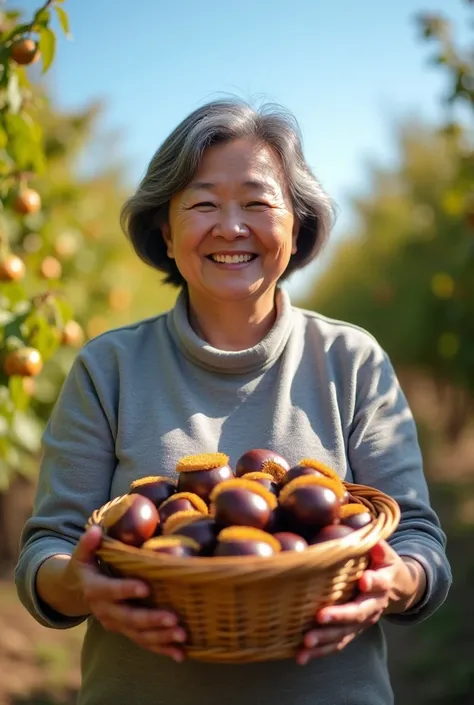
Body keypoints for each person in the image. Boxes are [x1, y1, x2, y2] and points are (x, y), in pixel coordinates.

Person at [15, 99, 451, 705]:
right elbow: (47, 550)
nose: (231, 226)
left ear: (296, 226)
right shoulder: (107, 368)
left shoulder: (351, 360)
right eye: (202, 204)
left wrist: (392, 580)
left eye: (257, 201)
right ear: (165, 232)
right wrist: (82, 586)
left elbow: (418, 539)